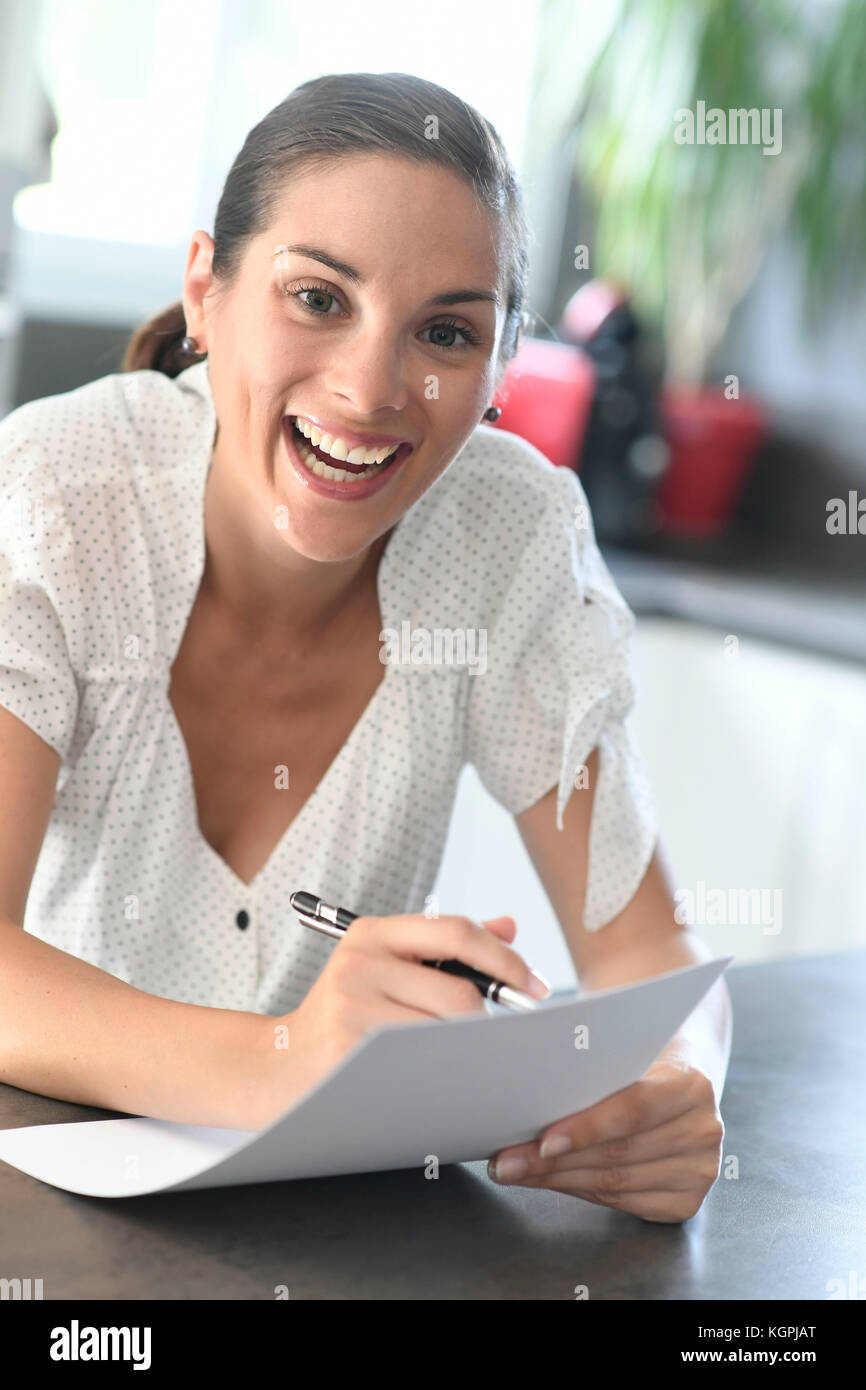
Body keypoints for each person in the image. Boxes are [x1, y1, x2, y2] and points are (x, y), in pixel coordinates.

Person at [0, 72, 730, 1222]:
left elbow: (645, 948)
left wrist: (677, 1088)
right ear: (206, 291)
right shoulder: (57, 490)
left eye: (445, 331)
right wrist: (285, 1054)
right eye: (318, 298)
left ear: (499, 372)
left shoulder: (509, 532)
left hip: (341, 1236)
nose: (369, 385)